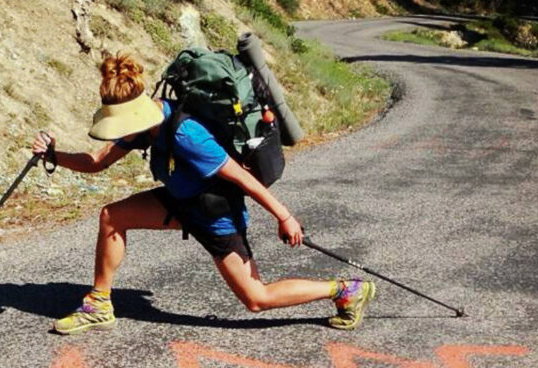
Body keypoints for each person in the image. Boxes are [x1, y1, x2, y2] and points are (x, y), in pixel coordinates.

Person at [32, 53, 375, 335]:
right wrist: (53, 156)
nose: (120, 132)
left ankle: (346, 290)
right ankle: (99, 303)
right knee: (112, 216)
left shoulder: (187, 135)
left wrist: (284, 216)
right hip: (180, 202)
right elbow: (96, 162)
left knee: (256, 298)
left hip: (215, 214)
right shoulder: (139, 125)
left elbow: (242, 178)